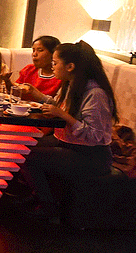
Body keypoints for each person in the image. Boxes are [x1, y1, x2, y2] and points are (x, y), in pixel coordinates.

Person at [21, 41, 117, 219]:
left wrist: (63, 115)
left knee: (28, 156)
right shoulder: (71, 84)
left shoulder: (95, 94)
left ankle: (49, 208)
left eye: (55, 63)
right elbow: (59, 106)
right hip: (67, 142)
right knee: (23, 144)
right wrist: (38, 95)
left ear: (70, 66)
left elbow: (94, 135)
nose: (52, 66)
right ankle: (37, 196)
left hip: (91, 155)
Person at [15, 35, 62, 100]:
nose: (34, 54)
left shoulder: (60, 76)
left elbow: (56, 104)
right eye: (33, 50)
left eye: (40, 50)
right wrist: (7, 82)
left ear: (53, 53)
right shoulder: (29, 69)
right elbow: (15, 91)